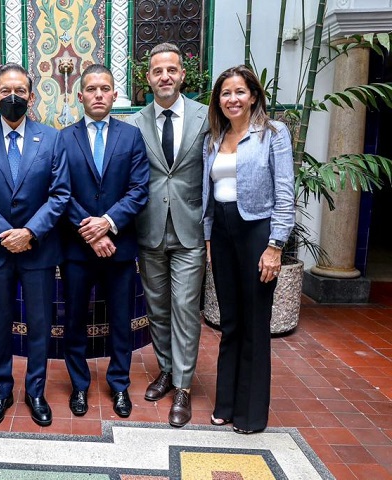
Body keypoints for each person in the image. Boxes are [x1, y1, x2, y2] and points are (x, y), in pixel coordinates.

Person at [0, 63, 70, 428]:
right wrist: (6, 234)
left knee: (39, 324)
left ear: (31, 96)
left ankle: (35, 390)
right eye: (6, 91)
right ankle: (1, 391)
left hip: (38, 249)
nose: (13, 97)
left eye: (20, 91)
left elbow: (60, 194)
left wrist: (30, 233)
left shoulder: (51, 138)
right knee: (0, 324)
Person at [202, 65, 294, 434]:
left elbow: (285, 191)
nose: (232, 99)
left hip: (258, 232)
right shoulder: (215, 137)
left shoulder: (273, 134)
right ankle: (226, 402)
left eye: (240, 92)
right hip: (222, 234)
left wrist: (275, 246)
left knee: (255, 324)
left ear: (253, 95)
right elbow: (208, 197)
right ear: (218, 100)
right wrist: (209, 240)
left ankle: (251, 413)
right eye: (226, 93)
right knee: (230, 322)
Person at [58, 65, 149, 418]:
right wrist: (91, 232)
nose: (98, 94)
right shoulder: (63, 139)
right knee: (75, 320)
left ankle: (120, 385)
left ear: (115, 95)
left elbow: (139, 189)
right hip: (77, 250)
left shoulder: (131, 137)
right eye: (91, 88)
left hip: (120, 247)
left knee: (121, 321)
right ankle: (79, 385)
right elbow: (60, 192)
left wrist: (108, 223)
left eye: (105, 88)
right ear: (80, 96)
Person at [126, 42, 209, 427]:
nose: (165, 77)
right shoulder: (135, 123)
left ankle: (184, 388)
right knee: (157, 309)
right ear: (148, 78)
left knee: (185, 310)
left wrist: (210, 231)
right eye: (157, 71)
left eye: (171, 70)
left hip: (191, 233)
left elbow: (214, 176)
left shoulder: (207, 117)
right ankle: (166, 371)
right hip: (150, 232)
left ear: (182, 74)